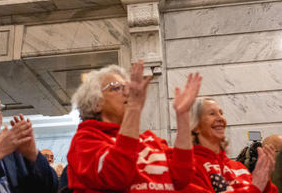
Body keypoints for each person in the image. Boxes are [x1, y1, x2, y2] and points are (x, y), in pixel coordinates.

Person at [66, 61, 201, 193]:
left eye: (127, 87)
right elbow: (116, 176)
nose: (127, 93)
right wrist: (134, 107)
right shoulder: (84, 140)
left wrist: (183, 115)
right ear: (96, 103)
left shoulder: (151, 140)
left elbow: (182, 177)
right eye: (116, 87)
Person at [186, 97, 278, 192]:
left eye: (221, 113)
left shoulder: (238, 167)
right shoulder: (189, 169)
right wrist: (256, 187)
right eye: (212, 114)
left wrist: (265, 181)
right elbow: (255, 189)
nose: (220, 118)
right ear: (195, 126)